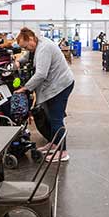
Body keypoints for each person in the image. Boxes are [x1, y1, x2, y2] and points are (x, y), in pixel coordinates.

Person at [14, 27, 74, 162]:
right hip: (54, 85)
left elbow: (41, 74)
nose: (26, 50)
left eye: (26, 46)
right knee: (51, 117)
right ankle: (54, 144)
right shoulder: (36, 44)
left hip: (60, 86)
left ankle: (63, 152)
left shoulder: (44, 48)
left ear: (30, 39)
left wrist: (25, 88)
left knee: (56, 119)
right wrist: (19, 61)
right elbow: (29, 55)